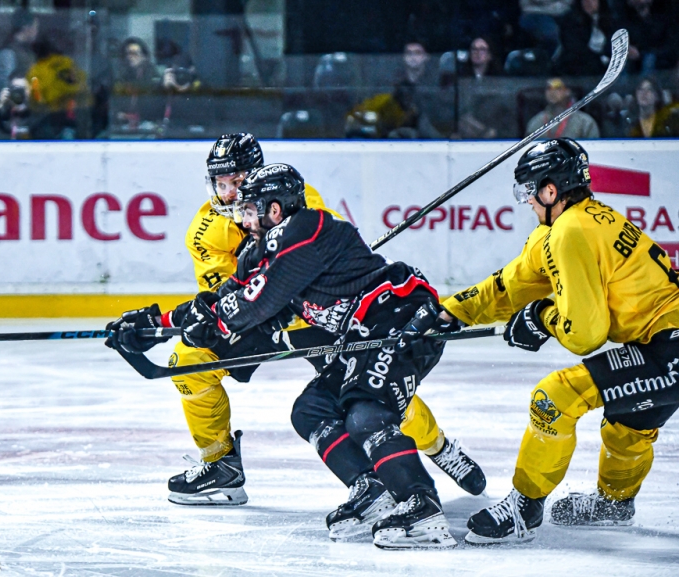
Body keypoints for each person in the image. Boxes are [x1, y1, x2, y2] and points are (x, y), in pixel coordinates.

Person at [107, 162, 486, 549]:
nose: (242, 217)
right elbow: (225, 297)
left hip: (397, 318)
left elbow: (257, 303)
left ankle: (421, 508)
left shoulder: (305, 228)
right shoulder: (260, 250)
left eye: (249, 209)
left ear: (274, 209)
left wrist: (220, 322)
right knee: (310, 410)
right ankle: (372, 491)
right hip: (356, 334)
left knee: (366, 412)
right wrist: (156, 324)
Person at [427, 138, 679, 544]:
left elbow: (585, 333)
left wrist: (542, 318)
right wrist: (449, 311)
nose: (526, 201)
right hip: (660, 344)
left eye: (529, 191)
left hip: (670, 347)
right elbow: (510, 286)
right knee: (627, 422)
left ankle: (523, 509)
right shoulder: (572, 224)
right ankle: (613, 506)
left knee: (554, 397)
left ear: (550, 190)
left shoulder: (569, 232)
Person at [112, 37, 161, 131]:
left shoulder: (154, 78)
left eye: (134, 54)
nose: (129, 57)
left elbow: (154, 108)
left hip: (147, 128)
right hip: (123, 128)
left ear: (144, 56)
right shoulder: (121, 77)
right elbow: (115, 106)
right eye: (127, 54)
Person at [526, 78, 600, 139]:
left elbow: (594, 148)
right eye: (549, 88)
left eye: (558, 88)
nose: (552, 92)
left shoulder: (585, 122)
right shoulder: (536, 122)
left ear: (568, 91)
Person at [0, 9, 39, 99]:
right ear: (26, 28)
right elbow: (2, 90)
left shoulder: (28, 52)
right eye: (35, 27)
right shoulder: (7, 53)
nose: (36, 32)